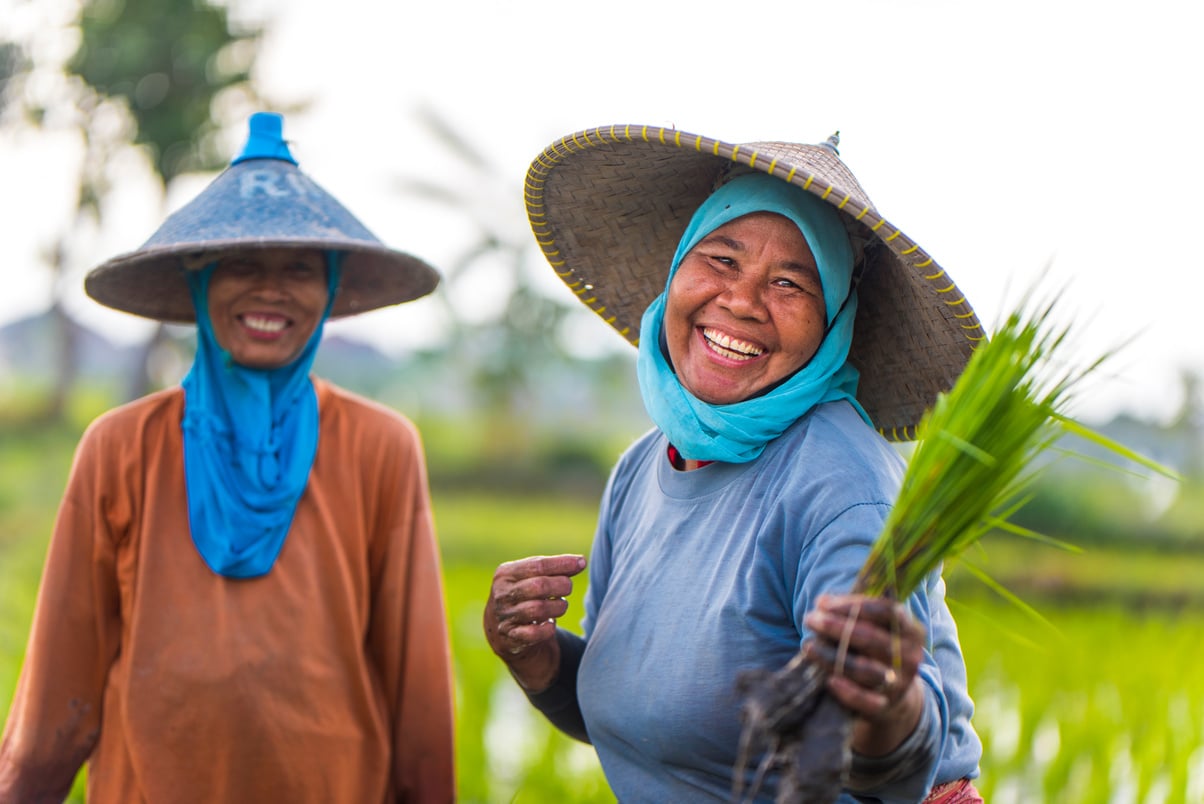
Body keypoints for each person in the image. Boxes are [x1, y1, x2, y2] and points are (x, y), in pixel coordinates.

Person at [484, 125, 985, 803]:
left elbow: (887, 779)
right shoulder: (642, 470)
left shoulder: (842, 484)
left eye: (790, 284)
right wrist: (538, 660)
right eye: (721, 260)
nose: (743, 301)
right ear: (678, 269)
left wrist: (886, 707)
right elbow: (647, 724)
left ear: (832, 320)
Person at [0, 112, 455, 803]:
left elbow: (415, 674)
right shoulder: (121, 447)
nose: (271, 289)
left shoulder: (380, 447)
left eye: (300, 268)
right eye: (241, 264)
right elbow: (63, 670)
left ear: (330, 289)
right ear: (199, 283)